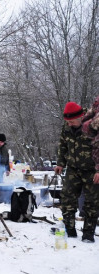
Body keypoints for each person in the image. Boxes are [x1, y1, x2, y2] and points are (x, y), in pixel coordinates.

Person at [56, 101, 99, 242]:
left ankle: (88, 234)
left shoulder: (93, 124)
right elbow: (63, 144)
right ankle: (70, 230)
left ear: (81, 117)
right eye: (67, 122)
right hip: (73, 168)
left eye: (72, 122)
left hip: (91, 170)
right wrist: (61, 163)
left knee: (92, 202)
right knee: (67, 198)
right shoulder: (67, 126)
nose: (69, 124)